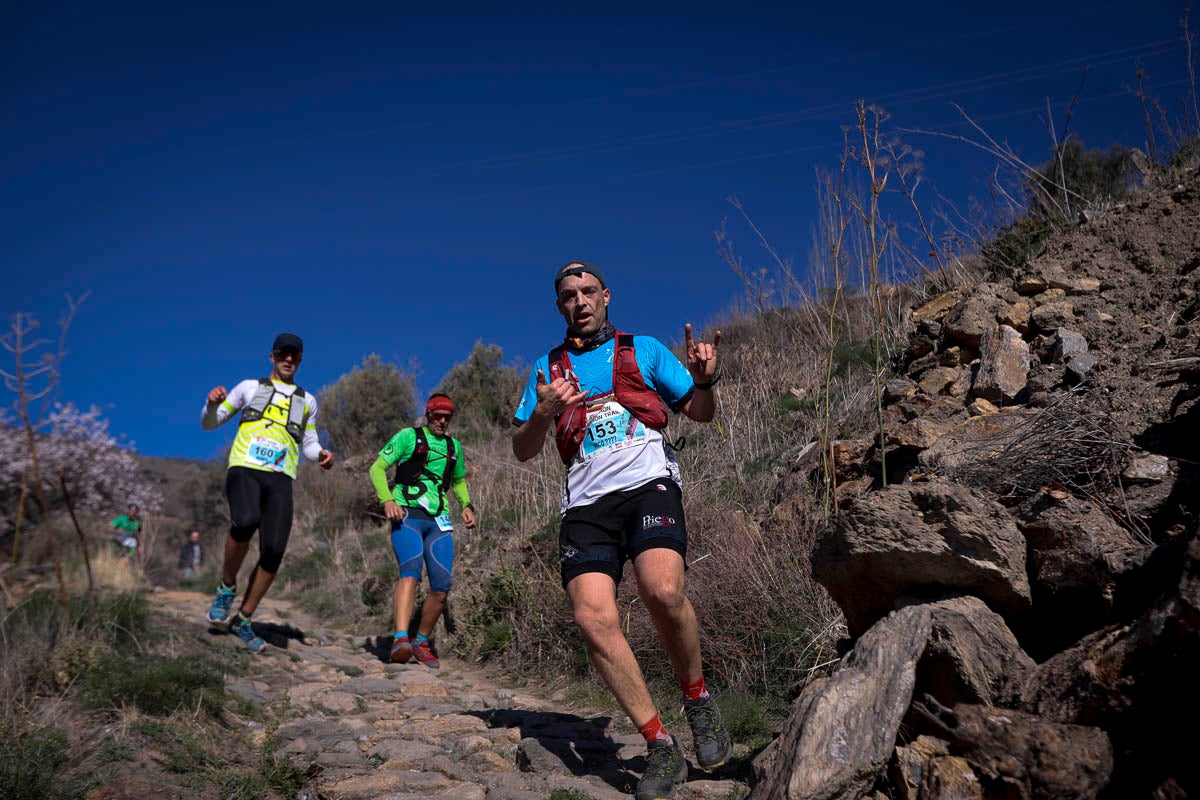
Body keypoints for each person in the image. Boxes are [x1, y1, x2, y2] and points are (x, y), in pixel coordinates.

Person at [512, 261, 728, 800]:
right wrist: (541, 414)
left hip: (648, 482)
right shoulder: (547, 367)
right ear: (559, 306)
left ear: (606, 296)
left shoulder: (645, 349)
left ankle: (698, 701)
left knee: (663, 591)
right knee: (592, 619)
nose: (579, 301)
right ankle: (660, 746)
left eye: (588, 292)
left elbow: (700, 412)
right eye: (568, 296)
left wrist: (705, 381)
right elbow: (521, 449)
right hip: (585, 501)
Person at [200, 332, 334, 652]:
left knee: (273, 551)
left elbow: (310, 443)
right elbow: (211, 423)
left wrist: (320, 456)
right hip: (245, 467)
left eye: (295, 356)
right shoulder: (249, 387)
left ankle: (244, 620)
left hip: (281, 476)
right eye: (283, 354)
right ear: (272, 357)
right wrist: (211, 404)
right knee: (245, 522)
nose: (289, 360)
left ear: (299, 361)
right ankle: (226, 586)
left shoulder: (308, 401)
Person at [369, 393, 477, 668]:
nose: (442, 421)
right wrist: (388, 500)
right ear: (428, 415)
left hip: (439, 521)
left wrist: (466, 505)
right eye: (437, 415)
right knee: (411, 573)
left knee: (441, 587)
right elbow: (377, 468)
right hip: (407, 516)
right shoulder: (408, 437)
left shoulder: (454, 447)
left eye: (447, 417)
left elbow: (458, 480)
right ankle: (400, 639)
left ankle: (421, 642)